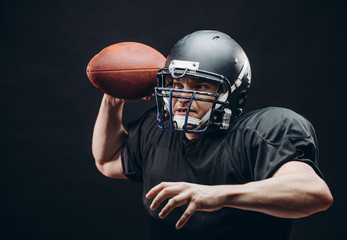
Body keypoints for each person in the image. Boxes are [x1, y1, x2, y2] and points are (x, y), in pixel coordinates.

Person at [92, 30, 333, 240]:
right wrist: (112, 101)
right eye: (178, 85)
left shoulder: (259, 132)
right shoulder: (156, 132)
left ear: (230, 93)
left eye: (200, 86)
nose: (183, 96)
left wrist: (218, 194)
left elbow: (314, 193)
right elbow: (108, 161)